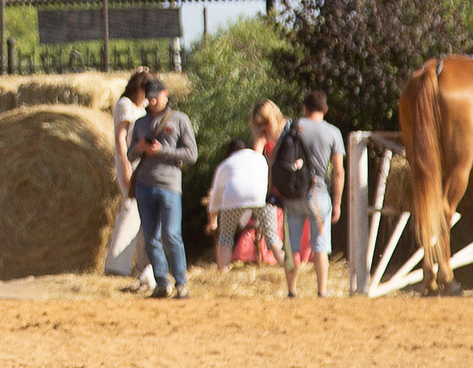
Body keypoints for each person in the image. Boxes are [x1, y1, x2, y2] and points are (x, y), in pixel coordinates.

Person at [124, 70, 196, 299]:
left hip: (170, 186)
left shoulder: (179, 119)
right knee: (150, 238)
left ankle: (181, 283)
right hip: (145, 186)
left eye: (156, 96)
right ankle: (162, 282)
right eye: (149, 96)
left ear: (166, 94)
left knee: (172, 235)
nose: (152, 100)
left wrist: (161, 150)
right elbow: (130, 154)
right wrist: (140, 149)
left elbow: (191, 154)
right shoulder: (140, 123)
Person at [278, 87, 345, 298]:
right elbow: (338, 172)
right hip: (319, 194)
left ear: (304, 108)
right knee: (320, 246)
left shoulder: (292, 126)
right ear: (325, 109)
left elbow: (276, 160)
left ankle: (292, 290)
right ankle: (322, 290)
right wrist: (337, 204)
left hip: (293, 194)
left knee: (292, 246)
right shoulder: (333, 132)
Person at [102, 68, 150, 286]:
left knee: (141, 215)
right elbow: (121, 139)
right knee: (130, 208)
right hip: (129, 163)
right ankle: (116, 264)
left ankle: (141, 264)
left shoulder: (140, 106)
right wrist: (125, 166)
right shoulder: (125, 106)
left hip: (141, 165)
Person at [205, 134, 279, 273]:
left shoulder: (226, 164)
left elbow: (215, 197)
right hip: (260, 199)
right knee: (272, 237)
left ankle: (223, 271)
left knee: (225, 237)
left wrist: (212, 222)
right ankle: (286, 266)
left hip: (233, 198)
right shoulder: (260, 158)